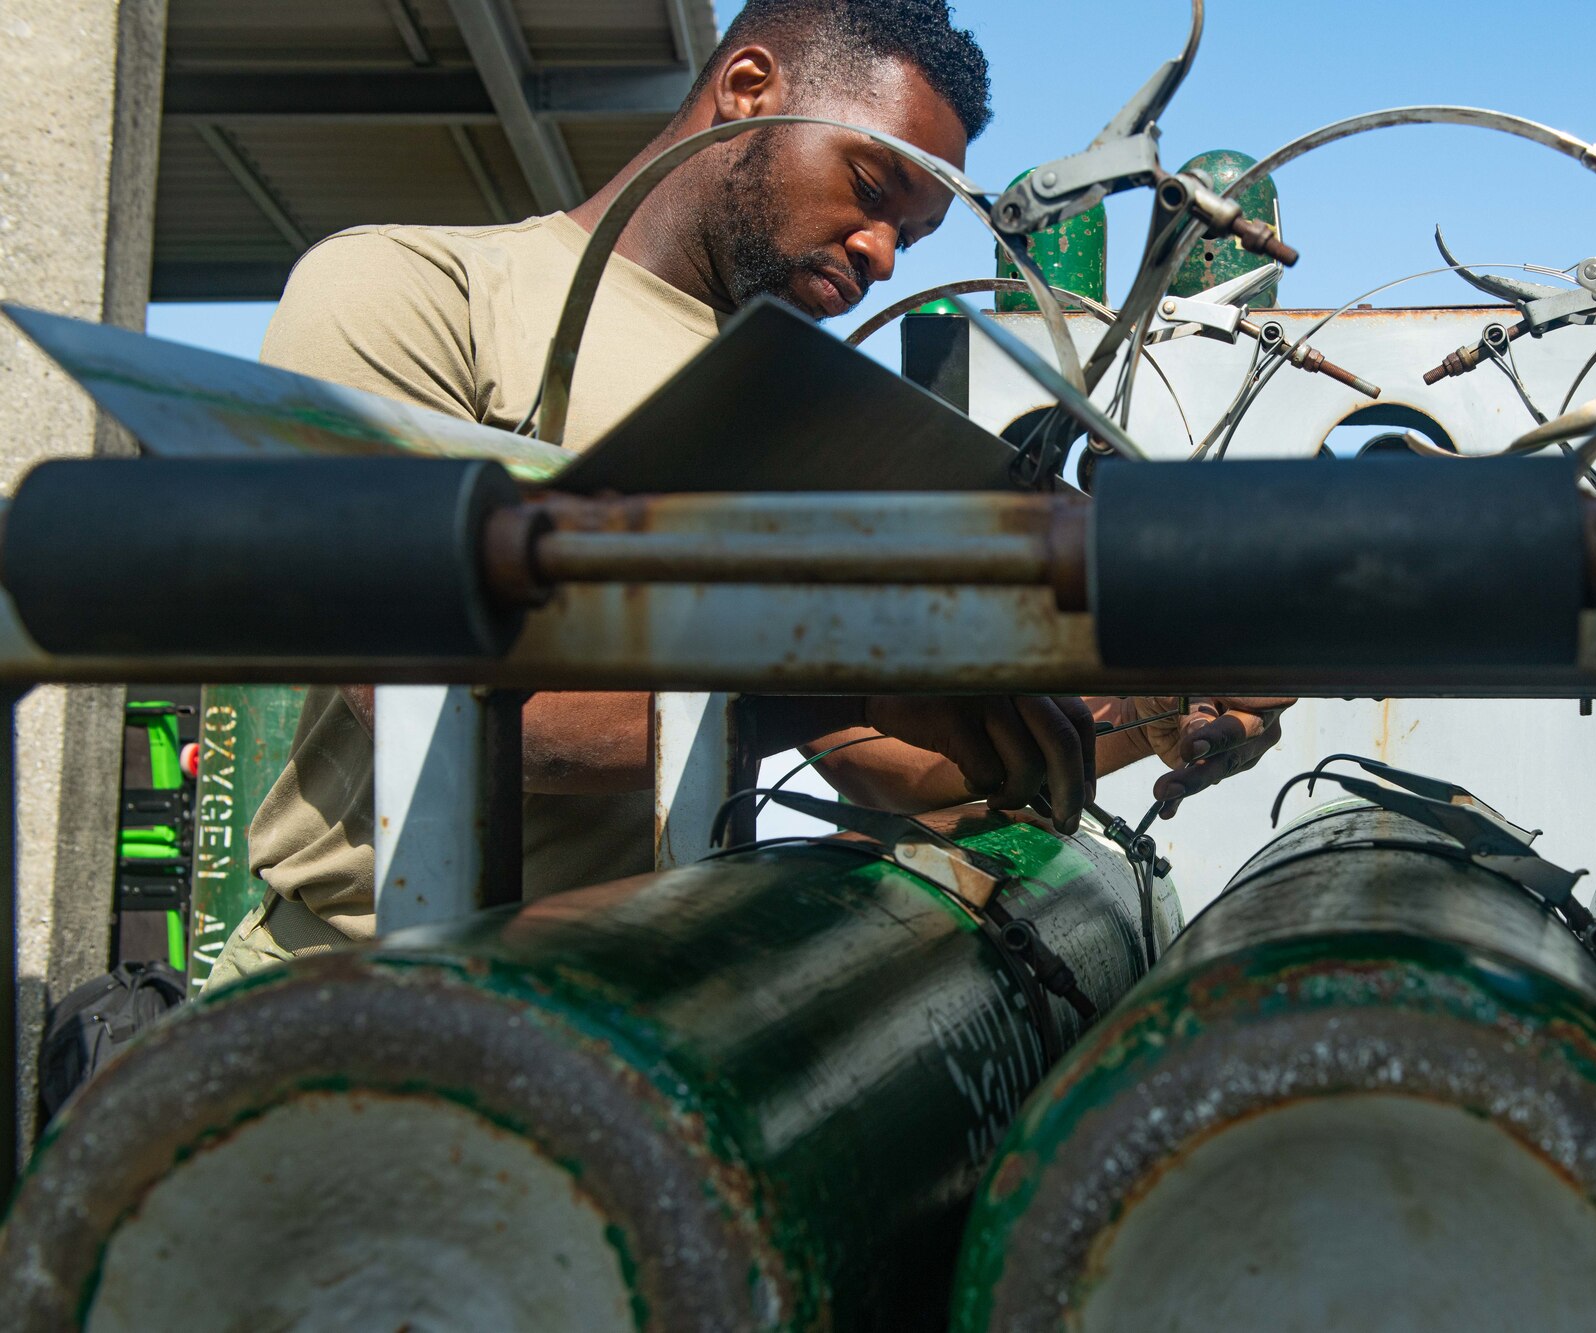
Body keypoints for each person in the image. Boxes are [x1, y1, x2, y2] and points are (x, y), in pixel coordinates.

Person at [207, 0, 1288, 986]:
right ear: (747, 87)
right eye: (871, 190)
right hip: (344, 988)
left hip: (635, 1013)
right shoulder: (420, 292)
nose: (881, 255)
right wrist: (847, 672)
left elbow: (900, 765)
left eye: (910, 239)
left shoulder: (809, 411)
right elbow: (403, 685)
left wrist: (1135, 716)